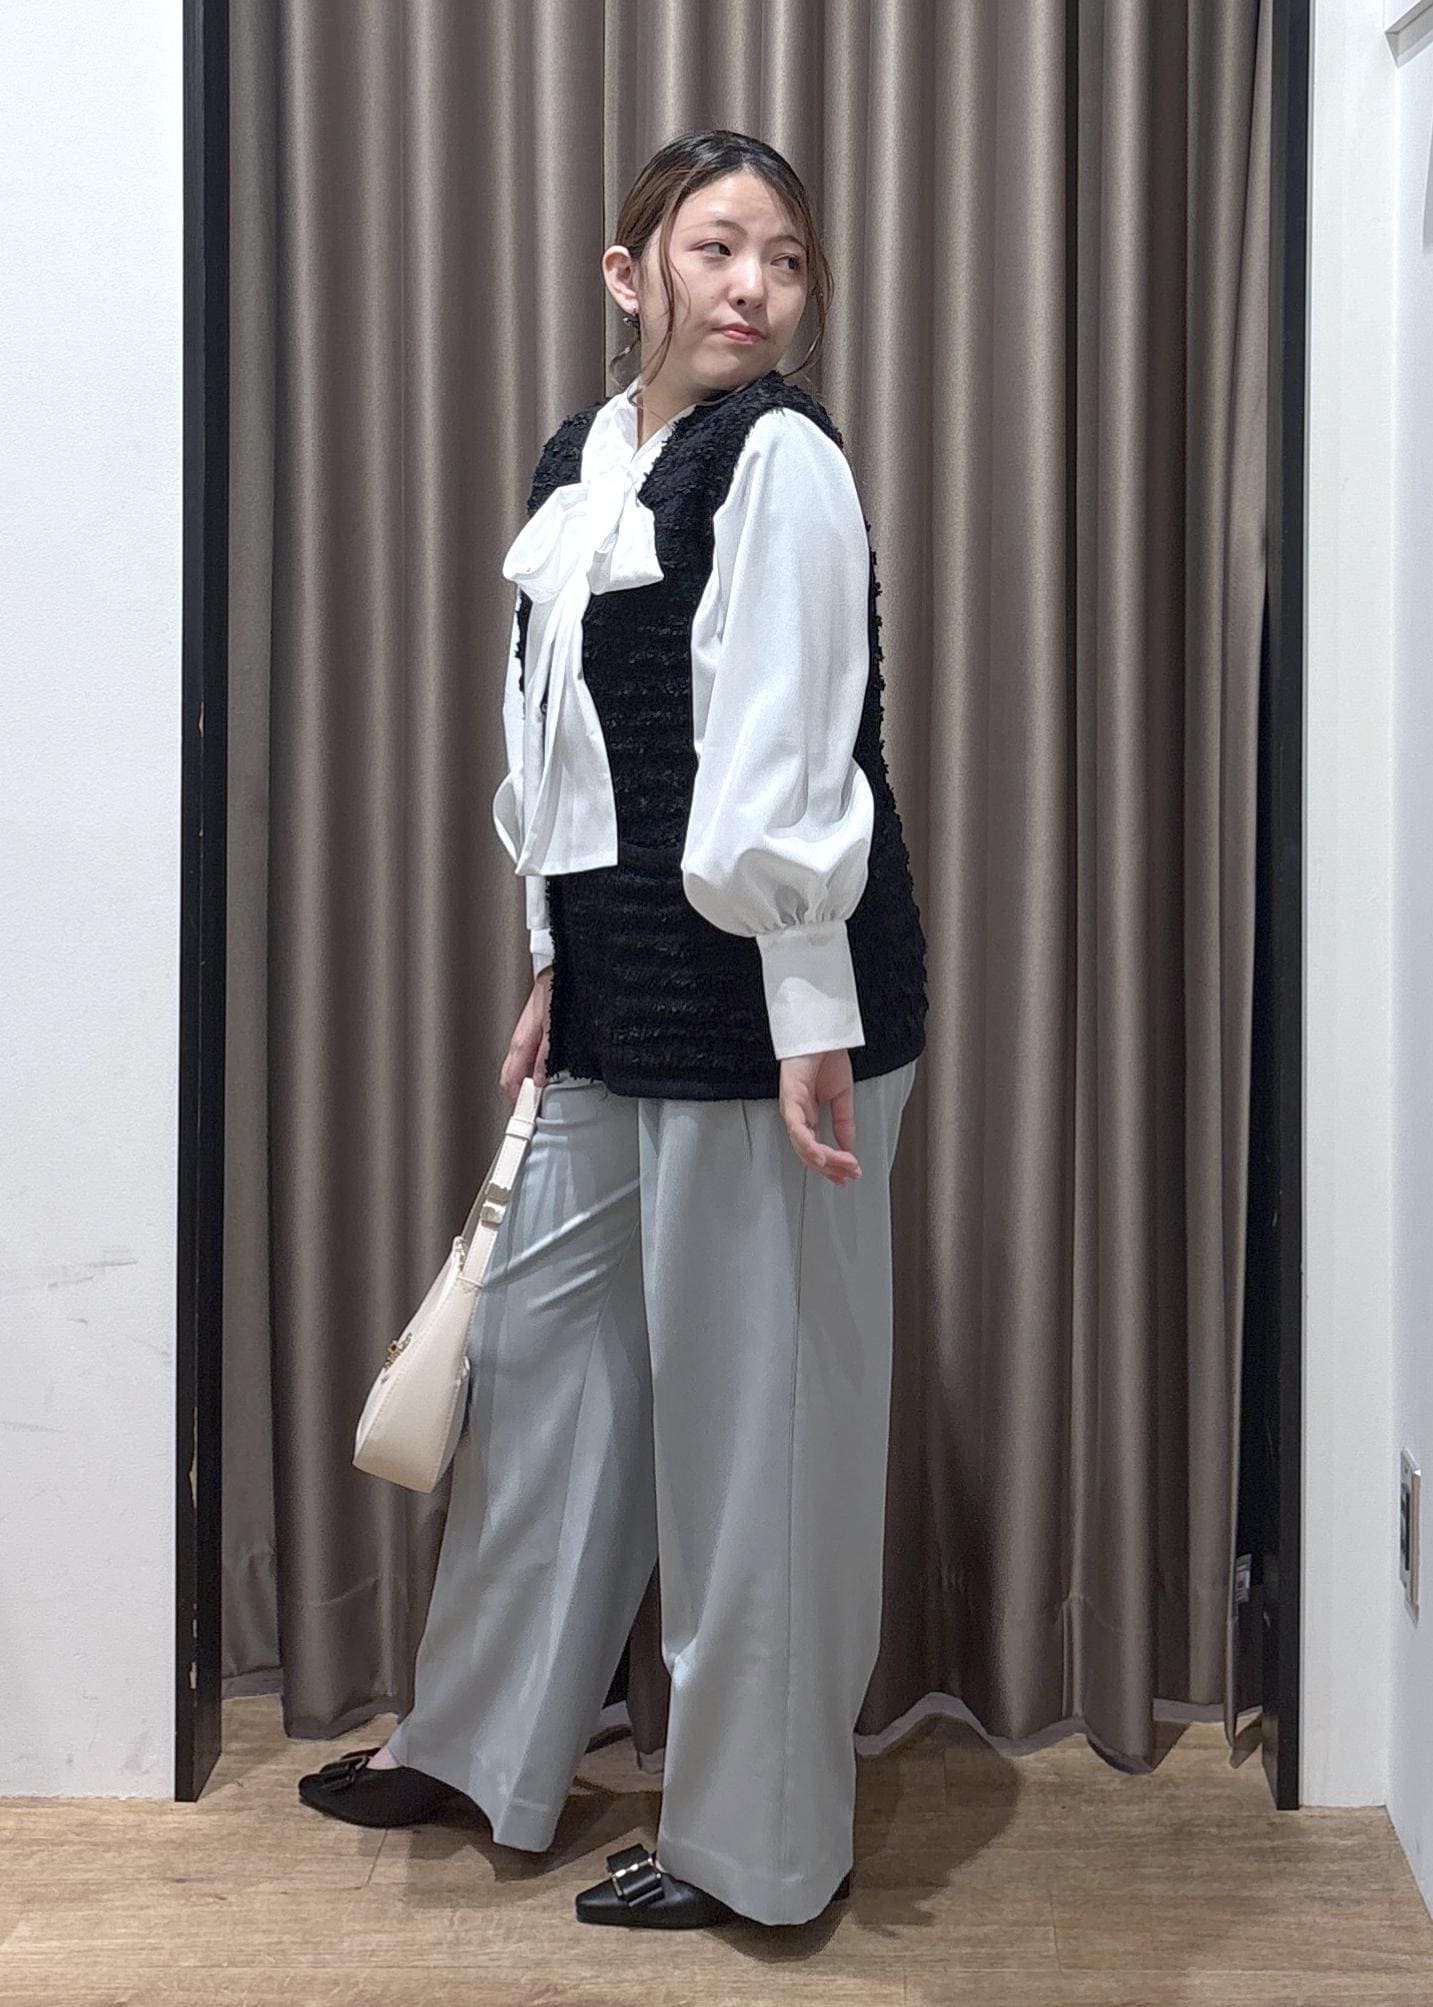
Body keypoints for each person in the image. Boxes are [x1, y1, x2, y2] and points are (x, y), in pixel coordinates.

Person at [299, 127, 928, 1932]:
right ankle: (482, 1740)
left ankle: (761, 1850)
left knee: (760, 1439)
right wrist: (550, 958)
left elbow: (791, 758)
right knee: (546, 1381)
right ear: (627, 270)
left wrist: (807, 1016)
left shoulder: (782, 459)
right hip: (618, 990)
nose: (753, 289)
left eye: (785, 259)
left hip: (779, 1014)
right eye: (716, 248)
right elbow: (563, 755)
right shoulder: (582, 461)